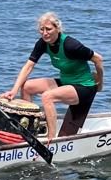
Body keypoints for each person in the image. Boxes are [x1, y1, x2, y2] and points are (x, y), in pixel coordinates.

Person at [6, 11, 103, 140]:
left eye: (48, 29)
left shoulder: (71, 45)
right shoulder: (42, 43)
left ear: (57, 29)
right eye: (42, 29)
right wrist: (14, 90)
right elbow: (28, 66)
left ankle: (51, 140)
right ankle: (29, 128)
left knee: (47, 97)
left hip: (84, 87)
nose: (45, 33)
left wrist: (100, 83)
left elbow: (98, 59)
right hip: (66, 82)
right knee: (26, 86)